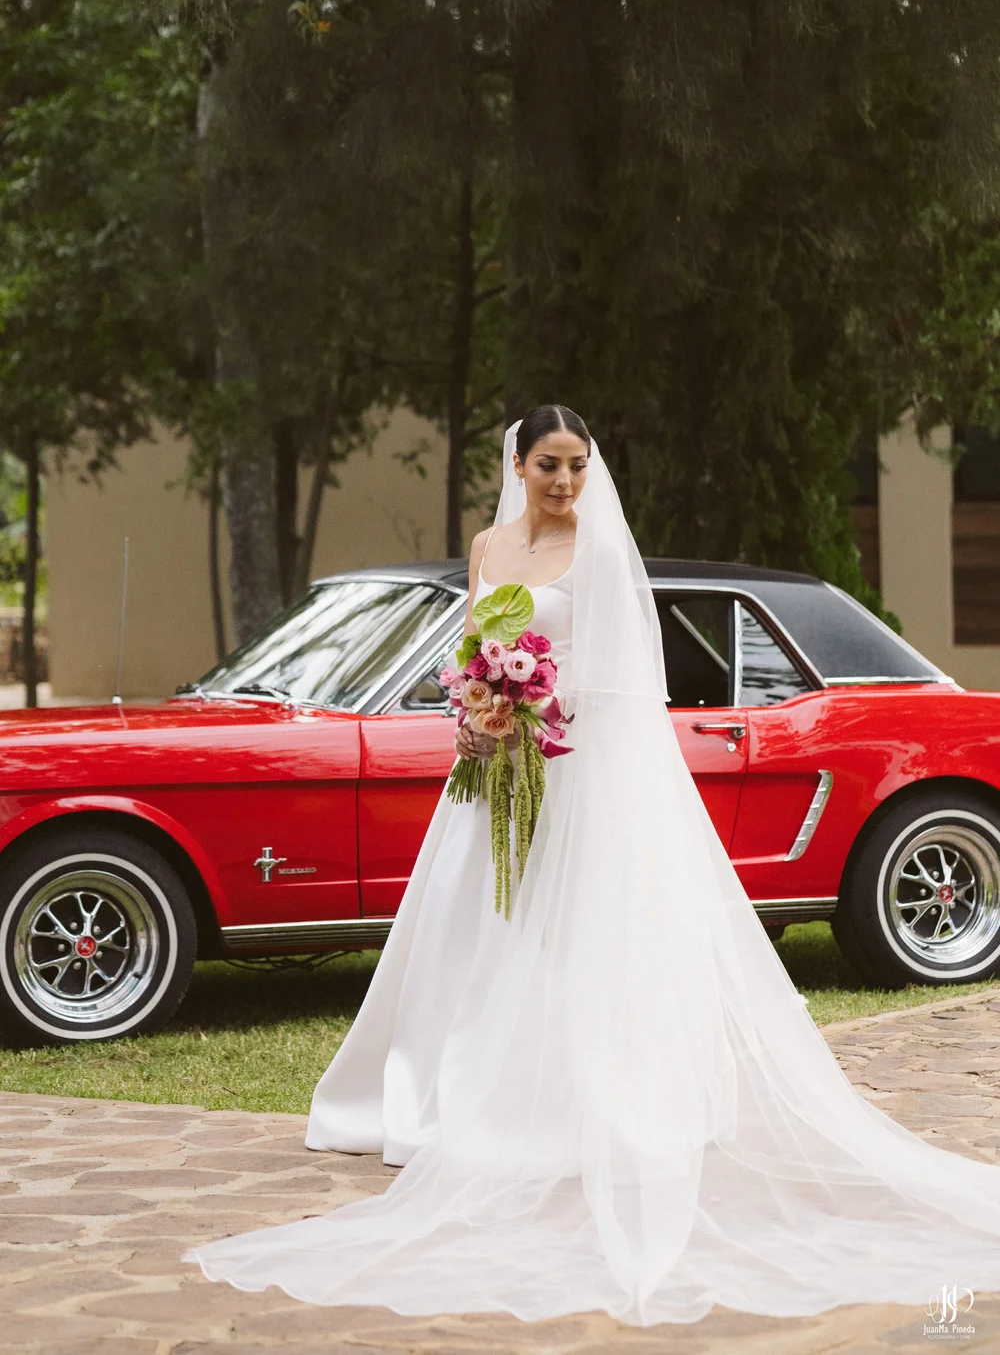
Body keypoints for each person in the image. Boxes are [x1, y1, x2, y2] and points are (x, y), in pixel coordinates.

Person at [186, 406, 1000, 1325]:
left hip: (582, 770)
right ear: (518, 465)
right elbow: (471, 649)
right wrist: (482, 709)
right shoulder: (488, 546)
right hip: (494, 765)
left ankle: (566, 1103)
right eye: (549, 465)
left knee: (576, 935)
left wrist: (538, 707)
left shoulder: (603, 551)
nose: (565, 482)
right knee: (474, 923)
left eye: (577, 466)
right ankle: (437, 1098)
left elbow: (623, 679)